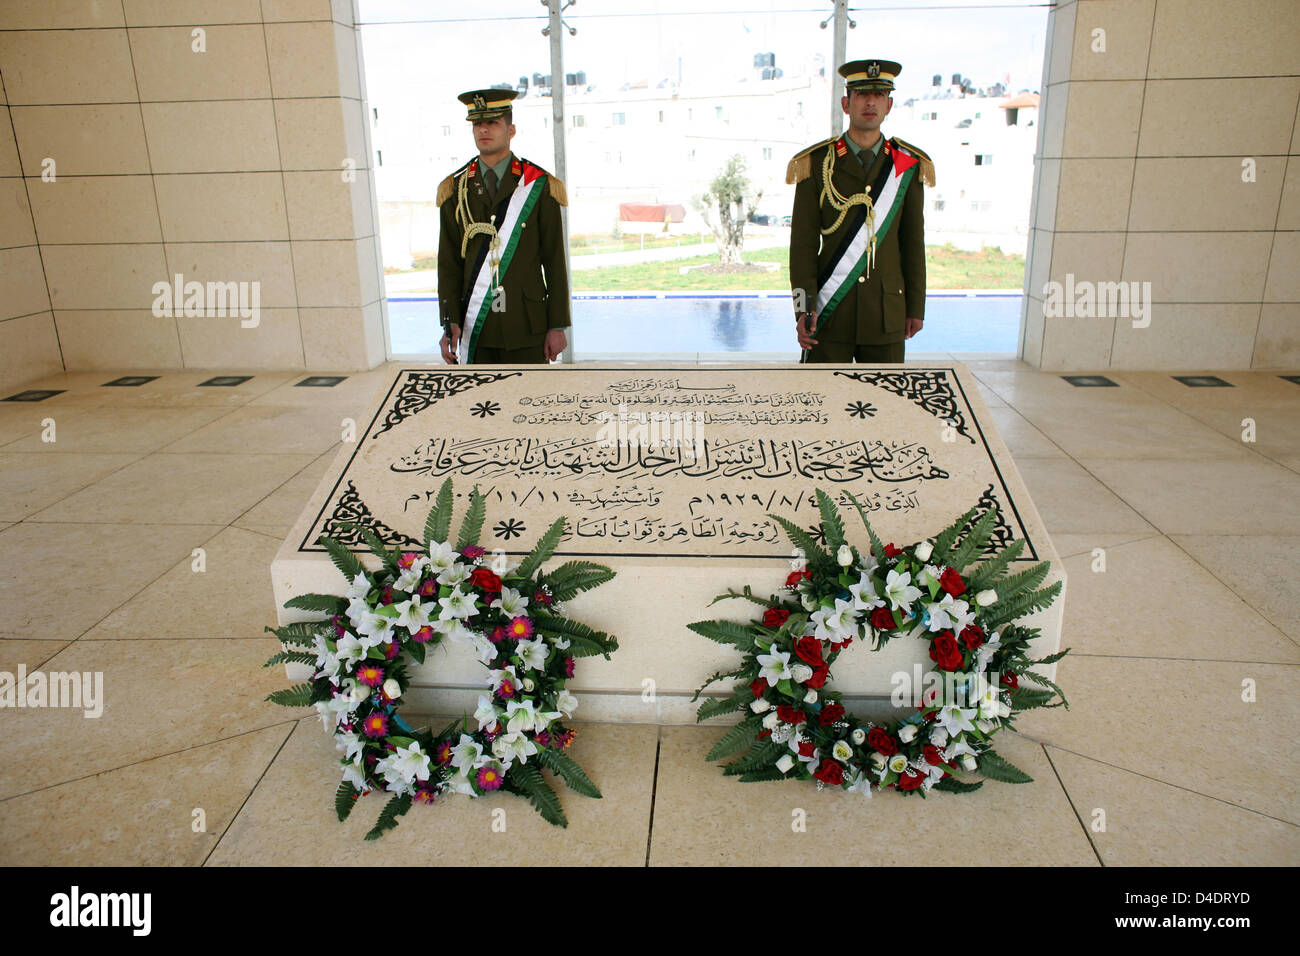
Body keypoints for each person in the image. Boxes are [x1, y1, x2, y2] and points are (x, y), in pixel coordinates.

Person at [787, 59, 935, 363]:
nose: (870, 102)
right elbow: (801, 246)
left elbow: (912, 244)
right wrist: (803, 308)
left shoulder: (906, 164)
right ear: (846, 103)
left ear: (889, 104)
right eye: (862, 94)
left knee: (886, 406)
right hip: (830, 314)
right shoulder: (816, 164)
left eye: (879, 95)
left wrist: (915, 308)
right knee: (822, 404)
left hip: (887, 316)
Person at [437, 89, 570, 364]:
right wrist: (448, 324)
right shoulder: (456, 189)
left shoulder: (539, 186)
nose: (483, 130)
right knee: (480, 404)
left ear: (511, 130)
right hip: (476, 326)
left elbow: (554, 261)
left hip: (527, 326)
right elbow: (448, 265)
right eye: (477, 124)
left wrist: (557, 325)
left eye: (493, 123)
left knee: (533, 403)